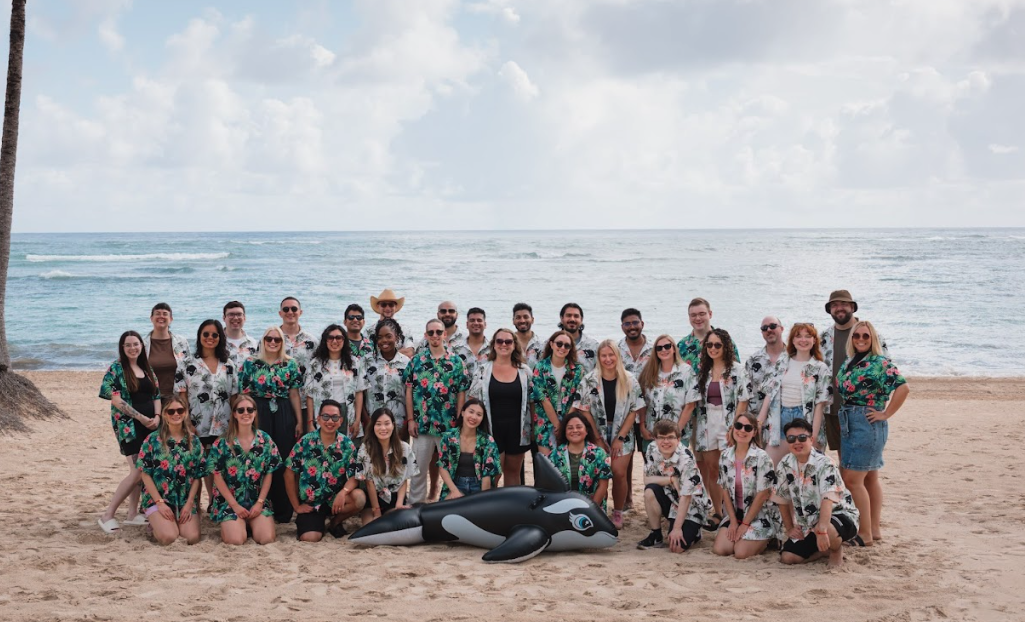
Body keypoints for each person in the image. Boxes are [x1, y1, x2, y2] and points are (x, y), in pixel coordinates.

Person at [836, 320, 909, 547]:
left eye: (865, 336)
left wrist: (885, 414)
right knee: (869, 477)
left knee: (852, 479)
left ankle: (865, 533)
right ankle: (874, 529)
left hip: (866, 422)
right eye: (856, 336)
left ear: (873, 339)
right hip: (850, 420)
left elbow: (903, 387)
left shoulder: (880, 362)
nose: (860, 340)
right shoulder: (850, 361)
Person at [573, 340, 644, 528]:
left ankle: (618, 512)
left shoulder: (629, 379)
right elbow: (583, 409)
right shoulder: (589, 380)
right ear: (598, 358)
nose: (608, 359)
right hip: (597, 431)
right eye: (603, 355)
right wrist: (596, 437)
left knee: (619, 473)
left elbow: (634, 410)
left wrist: (619, 438)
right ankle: (599, 510)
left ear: (618, 356)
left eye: (611, 355)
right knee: (598, 473)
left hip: (623, 431)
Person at [97, 331, 162, 533]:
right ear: (122, 348)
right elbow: (116, 399)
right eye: (128, 345)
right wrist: (141, 418)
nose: (133, 348)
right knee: (138, 471)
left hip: (152, 424)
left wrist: (158, 417)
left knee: (141, 472)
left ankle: (133, 513)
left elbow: (157, 395)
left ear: (142, 346)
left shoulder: (146, 368)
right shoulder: (116, 369)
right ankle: (107, 515)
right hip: (129, 427)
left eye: (136, 344)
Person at [774, 419, 860, 568]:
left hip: (839, 515)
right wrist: (790, 528)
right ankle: (822, 551)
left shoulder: (825, 463)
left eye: (802, 438)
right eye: (791, 439)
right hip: (808, 523)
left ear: (811, 439)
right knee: (788, 557)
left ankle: (835, 551)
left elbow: (828, 499)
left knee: (830, 530)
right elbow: (781, 498)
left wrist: (821, 530)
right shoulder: (785, 464)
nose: (797, 442)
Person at [238, 326, 303, 524]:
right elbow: (244, 394)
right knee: (260, 458)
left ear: (282, 342)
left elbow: (294, 394)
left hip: (283, 410)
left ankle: (283, 510)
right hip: (259, 410)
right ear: (263, 341)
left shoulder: (290, 364)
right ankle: (261, 505)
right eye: (269, 339)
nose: (273, 342)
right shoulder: (251, 363)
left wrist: (299, 420)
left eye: (277, 339)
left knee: (283, 458)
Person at [403, 318, 470, 504]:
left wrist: (459, 422)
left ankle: (451, 503)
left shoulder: (456, 362)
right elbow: (409, 390)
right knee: (418, 469)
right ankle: (416, 504)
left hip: (448, 425)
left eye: (438, 332)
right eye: (431, 332)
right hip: (421, 424)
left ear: (444, 334)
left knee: (451, 468)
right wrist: (410, 420)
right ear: (425, 335)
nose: (435, 335)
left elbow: (461, 393)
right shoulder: (416, 361)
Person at [690, 328, 750, 529]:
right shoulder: (703, 371)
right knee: (712, 470)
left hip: (728, 421)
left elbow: (743, 400)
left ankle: (734, 511)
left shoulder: (737, 370)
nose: (713, 348)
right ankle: (718, 512)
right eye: (709, 345)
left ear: (726, 347)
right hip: (706, 423)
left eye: (717, 345)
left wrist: (735, 427)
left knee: (730, 470)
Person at [174, 319, 237, 508]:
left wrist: (235, 423)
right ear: (199, 337)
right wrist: (186, 423)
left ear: (221, 338)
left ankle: (212, 500)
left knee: (215, 465)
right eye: (206, 334)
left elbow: (234, 396)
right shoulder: (186, 364)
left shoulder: (229, 364)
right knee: (196, 465)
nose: (210, 338)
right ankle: (194, 503)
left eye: (215, 335)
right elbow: (181, 397)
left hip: (222, 423)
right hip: (197, 423)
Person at [820, 289, 889, 459]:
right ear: (830, 310)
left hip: (862, 412)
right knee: (845, 461)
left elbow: (886, 373)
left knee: (865, 466)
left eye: (844, 304)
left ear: (852, 307)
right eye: (835, 305)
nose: (839, 308)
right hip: (832, 410)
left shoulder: (868, 335)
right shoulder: (823, 338)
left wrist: (883, 410)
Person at [285, 400, 367, 542]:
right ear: (318, 419)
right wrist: (296, 506)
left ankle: (335, 522)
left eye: (335, 417)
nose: (330, 421)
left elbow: (356, 475)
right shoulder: (306, 442)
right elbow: (289, 473)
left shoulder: (347, 445)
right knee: (310, 538)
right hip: (311, 503)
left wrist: (343, 492)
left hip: (335, 501)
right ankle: (316, 524)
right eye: (325, 417)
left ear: (341, 421)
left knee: (359, 498)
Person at [206, 395, 281, 545]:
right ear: (234, 414)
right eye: (241, 410)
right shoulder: (222, 443)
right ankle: (236, 526)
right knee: (235, 541)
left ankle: (250, 524)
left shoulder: (265, 440)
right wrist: (234, 505)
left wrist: (260, 503)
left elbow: (268, 473)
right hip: (230, 502)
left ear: (255, 412)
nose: (245, 413)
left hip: (256, 501)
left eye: (250, 409)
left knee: (266, 539)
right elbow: (217, 476)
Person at [757, 323, 832, 463]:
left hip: (805, 419)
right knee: (767, 464)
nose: (803, 340)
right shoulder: (783, 361)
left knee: (804, 467)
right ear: (792, 340)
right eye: (799, 336)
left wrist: (813, 436)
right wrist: (759, 422)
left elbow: (820, 405)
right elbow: (770, 393)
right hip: (780, 417)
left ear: (814, 340)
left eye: (808, 336)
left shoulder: (820, 368)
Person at [136, 397, 206, 545]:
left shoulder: (194, 441)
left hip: (184, 498)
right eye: (171, 411)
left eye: (180, 410)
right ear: (165, 414)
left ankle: (174, 519)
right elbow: (145, 473)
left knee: (191, 538)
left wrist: (189, 504)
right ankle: (154, 523)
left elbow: (197, 476)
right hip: (159, 498)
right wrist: (159, 502)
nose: (176, 414)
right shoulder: (152, 440)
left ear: (186, 413)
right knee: (169, 537)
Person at [468, 328, 532, 486]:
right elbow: (472, 400)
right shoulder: (483, 370)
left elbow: (532, 402)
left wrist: (533, 428)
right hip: (490, 429)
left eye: (508, 341)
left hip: (517, 430)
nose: (504, 344)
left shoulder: (525, 371)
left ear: (514, 345)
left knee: (513, 473)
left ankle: (511, 508)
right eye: (500, 341)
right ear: (494, 345)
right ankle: (490, 509)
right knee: (493, 474)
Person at [712, 413, 781, 559]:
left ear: (754, 432)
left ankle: (770, 538)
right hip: (736, 513)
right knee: (721, 549)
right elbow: (724, 491)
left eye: (748, 428)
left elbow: (763, 495)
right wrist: (732, 521)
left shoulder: (762, 458)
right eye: (738, 426)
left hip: (760, 515)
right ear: (732, 429)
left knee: (740, 553)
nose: (742, 430)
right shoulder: (725, 456)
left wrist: (745, 524)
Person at [637, 420, 711, 551]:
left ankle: (696, 531)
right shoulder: (652, 448)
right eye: (661, 437)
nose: (666, 442)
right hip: (670, 496)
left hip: (691, 505)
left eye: (670, 437)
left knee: (677, 547)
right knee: (650, 490)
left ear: (678, 439)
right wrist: (671, 480)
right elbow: (647, 479)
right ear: (655, 439)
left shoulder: (686, 459)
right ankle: (656, 534)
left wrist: (677, 529)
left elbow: (686, 497)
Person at [638, 335, 699, 454]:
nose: (663, 350)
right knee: (652, 471)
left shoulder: (686, 372)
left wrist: (676, 432)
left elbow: (690, 405)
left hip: (678, 434)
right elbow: (642, 402)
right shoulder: (650, 372)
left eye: (667, 346)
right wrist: (642, 427)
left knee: (676, 470)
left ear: (674, 348)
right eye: (659, 348)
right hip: (652, 434)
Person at [356, 408, 419, 524]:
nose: (383, 428)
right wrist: (376, 511)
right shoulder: (365, 448)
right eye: (378, 424)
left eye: (387, 423)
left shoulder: (404, 448)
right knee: (371, 528)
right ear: (373, 426)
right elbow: (369, 483)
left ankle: (392, 512)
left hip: (395, 496)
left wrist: (399, 504)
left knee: (397, 525)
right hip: (374, 497)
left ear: (393, 425)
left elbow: (404, 479)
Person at [305, 324, 366, 439]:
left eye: (339, 338)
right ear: (325, 340)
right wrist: (310, 422)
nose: (334, 341)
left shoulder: (354, 363)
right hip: (323, 413)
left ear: (344, 340)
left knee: (346, 448)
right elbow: (309, 395)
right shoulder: (315, 364)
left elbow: (359, 392)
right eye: (330, 337)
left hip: (346, 412)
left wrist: (357, 420)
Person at [530, 330, 585, 456]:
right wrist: (557, 425)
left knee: (566, 464)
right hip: (544, 420)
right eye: (559, 344)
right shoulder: (540, 367)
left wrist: (565, 423)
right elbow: (542, 398)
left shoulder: (577, 370)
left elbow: (578, 398)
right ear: (551, 344)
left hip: (570, 419)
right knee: (548, 465)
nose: (562, 348)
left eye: (567, 345)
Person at [437, 398, 501, 499]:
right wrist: (454, 491)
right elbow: (443, 467)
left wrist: (483, 499)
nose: (474, 417)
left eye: (479, 414)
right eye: (471, 412)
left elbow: (487, 475)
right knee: (444, 513)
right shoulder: (448, 437)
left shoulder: (488, 440)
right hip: (454, 485)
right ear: (462, 413)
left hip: (479, 486)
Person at [548, 413, 612, 508]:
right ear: (565, 432)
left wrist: (591, 510)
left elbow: (603, 486)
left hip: (593, 509)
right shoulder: (554, 455)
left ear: (586, 431)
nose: (574, 430)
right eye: (570, 428)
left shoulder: (599, 454)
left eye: (579, 427)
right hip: (561, 507)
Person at [365, 319, 411, 434]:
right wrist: (366, 421)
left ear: (397, 337)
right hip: (373, 424)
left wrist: (406, 426)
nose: (384, 340)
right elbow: (360, 393)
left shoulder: (407, 363)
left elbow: (409, 395)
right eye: (380, 337)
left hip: (399, 424)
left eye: (388, 336)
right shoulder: (366, 361)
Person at [278, 296, 318, 429]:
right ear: (280, 313)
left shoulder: (312, 342)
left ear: (300, 312)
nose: (290, 312)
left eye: (294, 309)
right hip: (280, 403)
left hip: (306, 403)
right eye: (286, 309)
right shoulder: (271, 340)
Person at [676, 298, 739, 372]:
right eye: (693, 315)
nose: (698, 318)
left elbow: (737, 371)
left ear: (710, 314)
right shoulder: (681, 346)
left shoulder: (725, 341)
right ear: (689, 317)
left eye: (702, 314)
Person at [744, 316, 785, 430]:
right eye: (764, 328)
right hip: (758, 424)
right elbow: (745, 395)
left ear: (782, 328)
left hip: (786, 423)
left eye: (773, 326)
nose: (769, 330)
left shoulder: (794, 357)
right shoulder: (752, 361)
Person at [143, 302, 191, 398]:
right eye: (157, 313)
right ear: (151, 318)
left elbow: (189, 370)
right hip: (150, 398)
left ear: (171, 319)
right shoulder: (142, 344)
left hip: (176, 398)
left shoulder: (181, 342)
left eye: (165, 314)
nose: (161, 316)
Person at [370, 288, 415, 357]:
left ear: (395, 307)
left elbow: (409, 352)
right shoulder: (369, 331)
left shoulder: (405, 330)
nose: (387, 308)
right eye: (384, 305)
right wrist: (399, 352)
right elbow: (368, 354)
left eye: (391, 305)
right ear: (378, 306)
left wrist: (383, 353)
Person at [558, 303, 599, 373]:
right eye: (568, 315)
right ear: (562, 318)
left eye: (576, 316)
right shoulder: (551, 345)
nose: (572, 319)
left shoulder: (594, 346)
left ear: (581, 319)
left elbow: (599, 373)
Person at [223, 301, 258, 370]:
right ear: (224, 318)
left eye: (239, 314)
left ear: (244, 318)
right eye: (231, 314)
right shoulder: (216, 342)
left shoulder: (253, 344)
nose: (235, 318)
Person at [618, 308, 652, 377]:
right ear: (622, 327)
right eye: (627, 324)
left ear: (642, 324)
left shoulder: (655, 349)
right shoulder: (615, 350)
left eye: (635, 323)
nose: (632, 327)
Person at [512, 302, 545, 368]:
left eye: (526, 317)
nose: (522, 321)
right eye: (518, 317)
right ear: (513, 321)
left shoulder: (541, 345)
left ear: (532, 320)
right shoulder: (507, 344)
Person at [464, 307, 490, 376]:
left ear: (485, 324)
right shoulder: (456, 349)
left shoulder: (494, 349)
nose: (476, 323)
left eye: (479, 320)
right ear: (467, 324)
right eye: (472, 320)